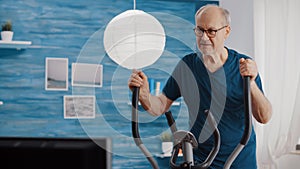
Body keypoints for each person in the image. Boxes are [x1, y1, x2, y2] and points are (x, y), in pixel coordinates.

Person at [128, 4, 272, 169]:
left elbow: (264, 116)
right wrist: (144, 95)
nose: (204, 37)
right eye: (199, 30)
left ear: (226, 31)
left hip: (239, 159)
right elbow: (160, 106)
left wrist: (251, 82)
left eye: (211, 31)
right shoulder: (187, 66)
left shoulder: (243, 65)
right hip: (202, 161)